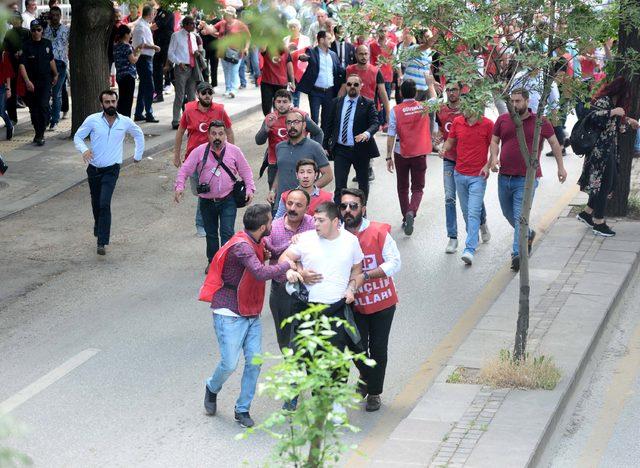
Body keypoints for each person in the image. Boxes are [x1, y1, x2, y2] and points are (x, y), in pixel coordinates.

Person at [199, 203, 300, 428]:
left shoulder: (258, 239)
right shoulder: (243, 247)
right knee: (229, 363)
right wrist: (286, 265)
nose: (274, 222)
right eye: (271, 220)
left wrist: (297, 243)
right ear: (263, 226)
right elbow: (261, 272)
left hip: (250, 310)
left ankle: (242, 409)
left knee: (254, 362)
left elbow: (274, 250)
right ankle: (212, 387)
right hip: (229, 312)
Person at [489, 88, 568, 271]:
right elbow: (494, 141)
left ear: (527, 101)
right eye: (512, 101)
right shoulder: (503, 119)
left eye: (518, 101)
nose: (515, 105)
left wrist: (561, 167)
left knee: (519, 218)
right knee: (508, 214)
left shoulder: (540, 122)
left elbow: (554, 143)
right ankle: (528, 234)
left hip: (527, 179)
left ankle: (517, 254)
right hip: (504, 177)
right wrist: (494, 158)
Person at [339, 188, 401, 412]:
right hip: (353, 304)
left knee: (378, 349)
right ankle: (367, 377)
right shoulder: (337, 234)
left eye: (353, 206)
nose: (348, 210)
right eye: (344, 206)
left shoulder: (378, 232)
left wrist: (366, 275)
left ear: (363, 209)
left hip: (382, 303)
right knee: (355, 347)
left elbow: (395, 263)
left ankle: (374, 392)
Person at [281, 201, 364, 352]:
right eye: (315, 219)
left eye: (321, 220)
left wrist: (351, 288)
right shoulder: (305, 239)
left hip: (337, 308)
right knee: (311, 363)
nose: (316, 224)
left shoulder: (351, 241)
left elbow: (357, 270)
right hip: (307, 308)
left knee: (336, 365)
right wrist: (293, 272)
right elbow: (284, 257)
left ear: (335, 222)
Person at [174, 120, 255, 268]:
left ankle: (226, 263)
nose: (217, 137)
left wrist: (250, 188)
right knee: (211, 235)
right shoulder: (199, 151)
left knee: (227, 233)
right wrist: (179, 186)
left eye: (220, 134)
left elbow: (246, 171)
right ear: (208, 135)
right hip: (206, 201)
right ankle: (213, 263)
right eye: (213, 134)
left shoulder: (234, 151)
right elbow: (185, 170)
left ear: (225, 135)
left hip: (228, 199)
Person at [73, 90, 145, 256]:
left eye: (113, 101)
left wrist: (138, 155)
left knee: (104, 203)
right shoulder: (92, 120)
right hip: (94, 169)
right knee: (96, 203)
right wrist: (84, 150)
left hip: (112, 169)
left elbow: (138, 134)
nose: (111, 105)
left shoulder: (125, 122)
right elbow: (78, 136)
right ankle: (99, 226)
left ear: (116, 102)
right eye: (107, 102)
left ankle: (102, 242)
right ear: (102, 104)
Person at [576, 77, 639, 237]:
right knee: (604, 184)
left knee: (605, 183)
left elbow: (611, 126)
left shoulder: (612, 102)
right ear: (621, 92)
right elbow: (592, 118)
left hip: (608, 150)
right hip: (600, 153)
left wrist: (627, 122)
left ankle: (586, 213)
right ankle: (599, 222)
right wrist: (612, 112)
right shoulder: (604, 101)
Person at [174, 81, 234, 237]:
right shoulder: (188, 110)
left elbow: (228, 130)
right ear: (198, 95)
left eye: (210, 92)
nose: (207, 96)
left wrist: (231, 154)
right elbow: (180, 132)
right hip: (194, 159)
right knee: (201, 192)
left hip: (215, 158)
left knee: (206, 191)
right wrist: (176, 155)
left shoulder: (220, 110)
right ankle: (205, 222)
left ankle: (202, 224)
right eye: (204, 93)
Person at [436, 82, 490, 252]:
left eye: (454, 89)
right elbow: (441, 131)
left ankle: (482, 223)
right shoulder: (442, 110)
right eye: (448, 90)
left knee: (472, 200)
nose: (451, 93)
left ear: (460, 92)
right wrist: (438, 141)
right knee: (449, 198)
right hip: (450, 161)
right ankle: (452, 237)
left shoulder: (470, 110)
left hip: (471, 165)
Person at [265, 190, 315, 350]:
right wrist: (288, 245)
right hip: (281, 290)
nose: (293, 208)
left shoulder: (314, 224)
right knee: (285, 339)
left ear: (307, 208)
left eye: (299, 205)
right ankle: (293, 370)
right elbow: (262, 250)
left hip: (311, 289)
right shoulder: (273, 227)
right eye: (290, 203)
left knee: (310, 337)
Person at [385, 79, 435, 235]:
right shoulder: (424, 107)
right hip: (419, 153)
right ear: (415, 93)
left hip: (401, 153)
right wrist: (431, 84)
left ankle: (405, 217)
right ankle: (411, 212)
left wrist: (388, 156)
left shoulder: (396, 110)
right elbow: (436, 99)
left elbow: (391, 134)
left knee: (402, 187)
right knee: (418, 188)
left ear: (400, 93)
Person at [324, 74, 380, 203]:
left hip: (360, 150)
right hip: (341, 150)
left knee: (363, 184)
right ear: (346, 86)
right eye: (349, 84)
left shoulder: (367, 103)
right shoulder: (337, 102)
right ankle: (339, 214)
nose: (352, 87)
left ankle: (362, 212)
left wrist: (366, 134)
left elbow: (375, 123)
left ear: (361, 86)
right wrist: (325, 145)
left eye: (355, 84)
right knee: (340, 186)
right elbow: (329, 125)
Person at [254, 89, 323, 191]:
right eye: (279, 102)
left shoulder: (300, 116)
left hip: (297, 162)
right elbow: (259, 141)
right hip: (275, 163)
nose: (281, 105)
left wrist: (313, 155)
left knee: (299, 194)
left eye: (285, 102)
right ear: (274, 103)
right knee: (275, 195)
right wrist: (266, 129)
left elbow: (318, 133)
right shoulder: (270, 118)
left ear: (290, 102)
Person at [268, 109, 333, 206]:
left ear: (304, 125)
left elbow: (328, 175)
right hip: (281, 203)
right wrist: (273, 190)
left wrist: (309, 189)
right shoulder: (280, 147)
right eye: (289, 122)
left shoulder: (315, 147)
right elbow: (280, 171)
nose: (292, 126)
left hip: (305, 204)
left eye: (296, 122)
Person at [18, 19, 58, 146]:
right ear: (31, 31)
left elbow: (51, 59)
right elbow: (21, 65)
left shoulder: (47, 43)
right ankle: (38, 133)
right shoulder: (26, 45)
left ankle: (41, 133)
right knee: (34, 109)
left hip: (45, 80)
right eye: (34, 30)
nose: (36, 32)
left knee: (43, 105)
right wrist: (27, 81)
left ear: (42, 31)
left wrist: (56, 74)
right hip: (31, 82)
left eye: (39, 30)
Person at [296, 30, 345, 129]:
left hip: (330, 92)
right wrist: (302, 57)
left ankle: (324, 143)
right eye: (329, 38)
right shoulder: (312, 52)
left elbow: (340, 70)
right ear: (322, 40)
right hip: (315, 92)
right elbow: (304, 56)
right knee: (314, 119)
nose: (331, 41)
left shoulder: (333, 55)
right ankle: (314, 142)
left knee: (326, 120)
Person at [202, 6, 251, 98]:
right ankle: (228, 88)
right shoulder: (222, 23)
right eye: (225, 14)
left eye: (227, 14)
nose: (225, 15)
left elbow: (248, 37)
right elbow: (212, 30)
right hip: (223, 51)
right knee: (226, 70)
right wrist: (205, 25)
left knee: (233, 70)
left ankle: (233, 89)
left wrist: (246, 48)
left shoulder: (240, 24)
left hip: (236, 52)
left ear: (232, 15)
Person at [167, 16, 200, 129]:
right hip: (181, 68)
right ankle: (176, 120)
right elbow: (170, 53)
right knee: (180, 95)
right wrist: (178, 62)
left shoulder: (193, 36)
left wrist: (196, 54)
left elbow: (194, 50)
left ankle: (191, 119)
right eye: (192, 24)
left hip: (192, 68)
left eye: (194, 23)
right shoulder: (176, 36)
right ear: (185, 24)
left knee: (192, 95)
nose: (194, 26)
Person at [132, 5, 161, 123]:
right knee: (149, 87)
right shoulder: (140, 26)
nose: (154, 16)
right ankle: (149, 113)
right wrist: (154, 47)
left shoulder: (144, 25)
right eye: (153, 14)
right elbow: (140, 44)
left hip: (147, 57)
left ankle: (139, 113)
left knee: (144, 87)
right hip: (143, 58)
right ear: (149, 14)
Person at [43, 6, 68, 132]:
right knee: (46, 92)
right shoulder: (44, 28)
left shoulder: (65, 29)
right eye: (52, 15)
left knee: (56, 93)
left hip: (61, 63)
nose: (55, 17)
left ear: (60, 16)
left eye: (57, 15)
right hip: (47, 63)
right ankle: (46, 118)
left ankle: (54, 120)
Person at [3, 11, 29, 127]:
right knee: (11, 94)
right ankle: (13, 118)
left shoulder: (27, 32)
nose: (15, 20)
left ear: (21, 20)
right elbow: (5, 50)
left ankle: (34, 113)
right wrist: (14, 53)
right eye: (13, 18)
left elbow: (31, 47)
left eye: (17, 18)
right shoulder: (9, 33)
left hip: (25, 67)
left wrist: (23, 53)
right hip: (13, 67)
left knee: (28, 91)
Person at [113, 24, 141, 117]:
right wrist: (138, 54)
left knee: (122, 99)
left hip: (120, 76)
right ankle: (126, 120)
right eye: (130, 34)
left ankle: (120, 119)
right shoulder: (127, 46)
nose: (130, 36)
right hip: (128, 76)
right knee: (128, 101)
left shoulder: (116, 46)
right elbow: (132, 60)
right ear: (125, 35)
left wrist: (135, 50)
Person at [259, 47, 295, 116]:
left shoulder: (285, 50)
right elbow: (261, 48)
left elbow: (290, 67)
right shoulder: (266, 48)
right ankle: (269, 123)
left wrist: (292, 82)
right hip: (267, 83)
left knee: (279, 107)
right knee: (266, 107)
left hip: (281, 84)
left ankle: (278, 123)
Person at [151, 0, 175, 103]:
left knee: (169, 68)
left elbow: (156, 26)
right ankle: (158, 94)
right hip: (158, 44)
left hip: (166, 44)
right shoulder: (159, 11)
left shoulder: (167, 11)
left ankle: (182, 91)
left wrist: (144, 28)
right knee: (157, 69)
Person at [283, 19, 310, 108]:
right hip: (288, 67)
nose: (293, 29)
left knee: (296, 91)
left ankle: (295, 108)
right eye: (291, 27)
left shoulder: (305, 39)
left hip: (300, 68)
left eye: (295, 27)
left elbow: (309, 53)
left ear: (299, 28)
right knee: (289, 91)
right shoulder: (285, 39)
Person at [0, 50, 14, 140]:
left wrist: (8, 88)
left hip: (1, 86)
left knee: (0, 110)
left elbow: (8, 72)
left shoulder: (4, 54)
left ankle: (9, 126)